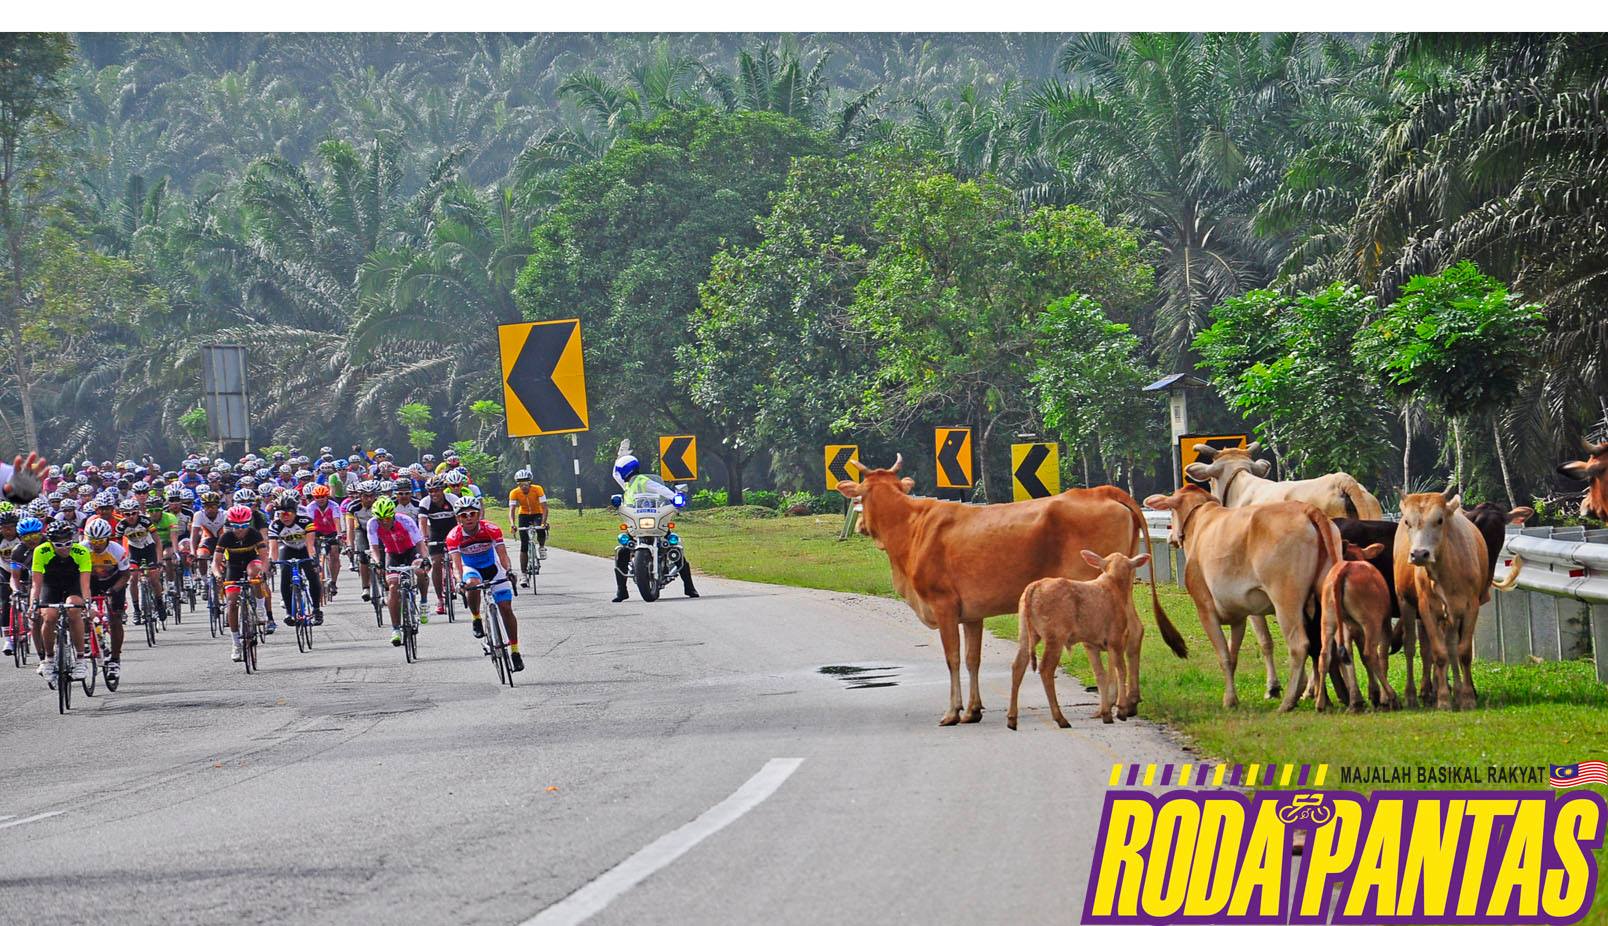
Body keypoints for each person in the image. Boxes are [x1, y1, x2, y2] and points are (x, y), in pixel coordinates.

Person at [445, 494, 522, 672]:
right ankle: (476, 617)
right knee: (472, 583)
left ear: (479, 514)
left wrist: (509, 571)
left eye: (472, 513)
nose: (469, 518)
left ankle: (515, 651)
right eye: (464, 515)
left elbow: (502, 555)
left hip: (492, 567)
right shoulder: (454, 536)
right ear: (458, 518)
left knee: (505, 608)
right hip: (471, 568)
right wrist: (459, 582)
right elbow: (456, 565)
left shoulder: (491, 529)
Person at [610, 446, 698, 603]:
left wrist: (675, 498)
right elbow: (615, 474)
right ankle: (621, 590)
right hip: (636, 525)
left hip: (655, 522)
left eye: (621, 470)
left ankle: (689, 586)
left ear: (626, 471)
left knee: (674, 547)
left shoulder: (642, 481)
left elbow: (661, 489)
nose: (620, 474)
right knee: (622, 551)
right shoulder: (627, 485)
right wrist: (619, 457)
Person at [32, 520, 92, 685]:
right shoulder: (41, 551)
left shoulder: (81, 551)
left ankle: (80, 659)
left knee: (74, 610)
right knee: (49, 616)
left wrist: (87, 603)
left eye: (68, 543)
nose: (64, 548)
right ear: (51, 543)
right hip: (50, 585)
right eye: (59, 545)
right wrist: (33, 604)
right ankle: (49, 659)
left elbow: (85, 584)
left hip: (73, 585)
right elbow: (36, 583)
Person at [366, 495, 431, 646]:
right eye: (381, 519)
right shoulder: (372, 524)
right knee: (393, 586)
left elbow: (419, 543)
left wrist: (425, 558)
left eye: (387, 518)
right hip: (392, 554)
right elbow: (374, 547)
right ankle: (396, 629)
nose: (384, 522)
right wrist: (377, 562)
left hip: (410, 551)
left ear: (393, 515)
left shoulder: (405, 520)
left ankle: (423, 602)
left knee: (420, 571)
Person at [213, 504, 270, 661]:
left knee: (254, 574)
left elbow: (264, 557)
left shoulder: (254, 534)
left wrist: (264, 572)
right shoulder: (226, 537)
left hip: (252, 562)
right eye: (236, 526)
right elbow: (215, 562)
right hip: (234, 567)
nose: (240, 530)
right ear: (230, 525)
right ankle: (236, 643)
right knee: (232, 603)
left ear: (249, 524)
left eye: (244, 526)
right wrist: (218, 575)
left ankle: (260, 608)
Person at [84, 517, 131, 683]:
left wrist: (113, 590)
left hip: (114, 582)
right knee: (81, 610)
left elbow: (125, 575)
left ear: (107, 539)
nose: (96, 545)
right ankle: (86, 638)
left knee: (115, 619)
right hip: (91, 582)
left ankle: (115, 659)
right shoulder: (82, 549)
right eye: (92, 540)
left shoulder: (117, 550)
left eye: (100, 541)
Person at [416, 477, 458, 615]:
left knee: (457, 557)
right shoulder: (425, 502)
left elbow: (459, 519)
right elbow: (422, 522)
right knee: (435, 563)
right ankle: (440, 599)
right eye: (430, 491)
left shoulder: (452, 499)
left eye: (436, 490)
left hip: (452, 530)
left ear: (443, 490)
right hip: (435, 532)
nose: (433, 494)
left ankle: (459, 580)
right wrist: (424, 538)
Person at [507, 468, 549, 585]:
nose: (524, 486)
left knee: (540, 529)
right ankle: (524, 575)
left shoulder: (538, 489)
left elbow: (545, 507)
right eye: (521, 484)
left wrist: (544, 523)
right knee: (524, 545)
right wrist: (512, 524)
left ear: (530, 482)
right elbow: (511, 510)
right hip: (524, 515)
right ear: (517, 484)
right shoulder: (514, 492)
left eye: (526, 483)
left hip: (537, 513)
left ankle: (541, 546)